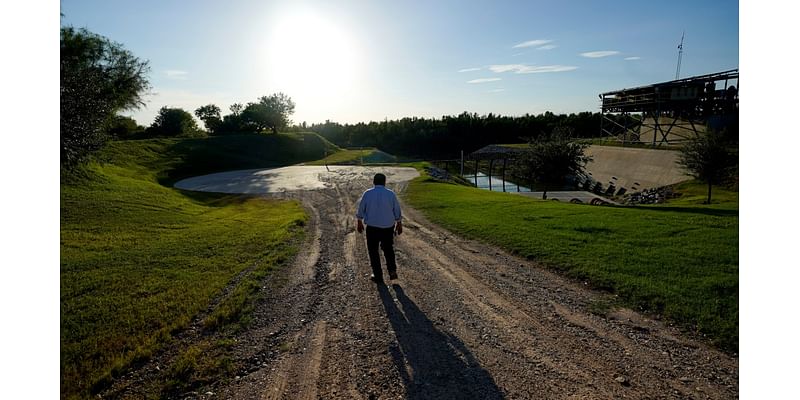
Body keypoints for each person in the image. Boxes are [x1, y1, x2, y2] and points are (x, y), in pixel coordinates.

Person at [356, 173, 403, 284]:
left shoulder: (367, 193)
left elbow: (361, 208)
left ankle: (378, 275)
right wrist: (399, 223)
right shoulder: (390, 194)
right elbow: (397, 209)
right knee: (388, 249)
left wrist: (359, 222)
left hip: (372, 227)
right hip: (387, 227)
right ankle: (392, 271)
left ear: (374, 182)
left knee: (373, 251)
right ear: (384, 182)